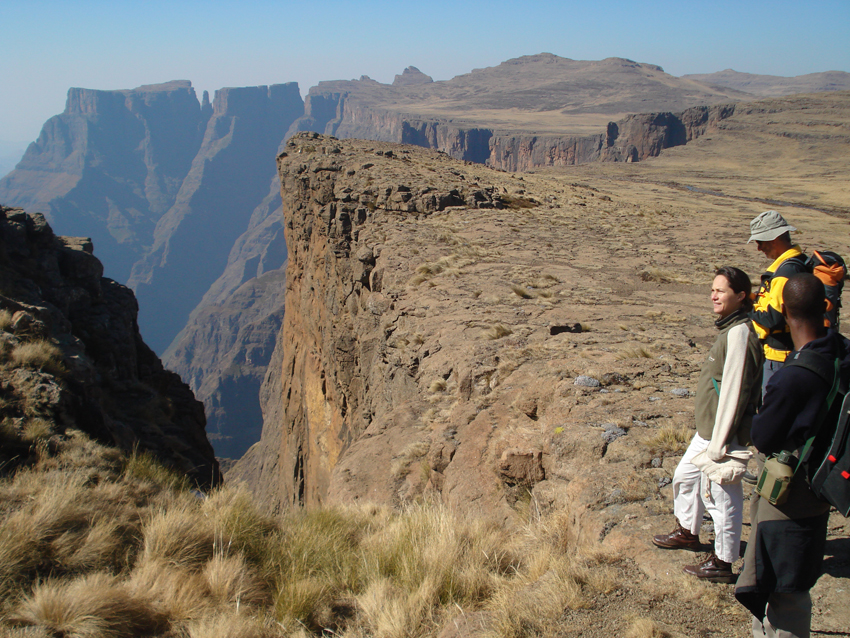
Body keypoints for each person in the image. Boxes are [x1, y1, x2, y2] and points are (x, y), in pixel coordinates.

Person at [735, 273, 850, 638]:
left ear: (784, 312)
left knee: (783, 587)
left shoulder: (794, 375)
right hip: (824, 481)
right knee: (797, 573)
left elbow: (764, 437)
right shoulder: (843, 354)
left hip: (789, 495)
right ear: (826, 307)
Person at [652, 267, 763, 582]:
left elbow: (735, 390)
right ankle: (688, 531)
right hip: (709, 431)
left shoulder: (740, 332)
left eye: (722, 291)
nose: (714, 295)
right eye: (713, 290)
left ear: (740, 296)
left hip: (721, 434)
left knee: (723, 499)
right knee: (685, 478)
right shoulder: (731, 329)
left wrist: (721, 441)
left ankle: (724, 563)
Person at [747, 210, 808, 391]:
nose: (759, 248)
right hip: (791, 352)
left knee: (772, 408)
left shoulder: (784, 274)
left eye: (760, 242)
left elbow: (774, 318)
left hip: (779, 357)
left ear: (773, 239)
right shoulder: (799, 263)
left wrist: (748, 308)